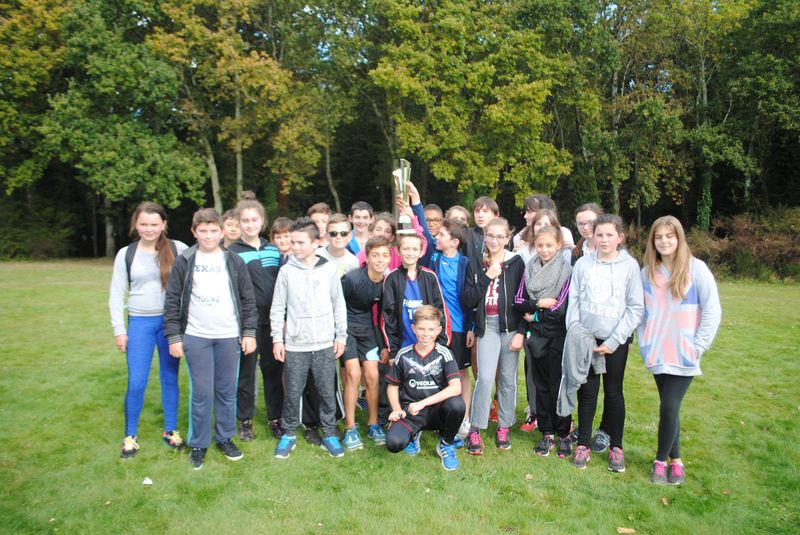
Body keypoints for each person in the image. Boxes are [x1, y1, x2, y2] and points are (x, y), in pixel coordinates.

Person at [164, 208, 257, 470]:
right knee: (202, 392)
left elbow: (247, 299)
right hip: (196, 336)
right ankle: (199, 443)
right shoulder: (185, 260)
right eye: (203, 231)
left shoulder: (233, 260)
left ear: (222, 232)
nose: (208, 236)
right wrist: (174, 336)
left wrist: (248, 333)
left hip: (228, 336)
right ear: (194, 232)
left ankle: (225, 438)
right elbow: (172, 300)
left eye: (213, 230)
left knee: (227, 391)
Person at [638, 216, 721, 485]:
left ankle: (660, 462)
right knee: (669, 409)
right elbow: (641, 313)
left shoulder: (696, 270)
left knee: (669, 406)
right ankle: (677, 461)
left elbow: (712, 311)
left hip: (684, 352)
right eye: (658, 237)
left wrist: (698, 347)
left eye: (669, 236)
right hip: (657, 351)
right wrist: (644, 342)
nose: (664, 241)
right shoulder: (647, 272)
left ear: (679, 238)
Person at [109, 201, 187, 458]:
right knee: (137, 381)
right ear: (136, 224)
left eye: (154, 224)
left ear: (164, 224)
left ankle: (170, 431)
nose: (149, 229)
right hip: (139, 324)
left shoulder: (178, 248)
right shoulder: (126, 254)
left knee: (169, 378)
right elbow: (116, 294)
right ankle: (130, 436)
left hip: (169, 324)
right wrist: (119, 330)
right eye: (144, 224)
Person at [566, 214, 644, 472]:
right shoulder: (583, 264)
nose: (604, 239)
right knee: (587, 392)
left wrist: (615, 340)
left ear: (620, 237)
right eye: (599, 234)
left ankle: (616, 448)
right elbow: (574, 301)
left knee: (613, 392)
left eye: (610, 235)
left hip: (614, 341)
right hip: (587, 338)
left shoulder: (629, 266)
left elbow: (635, 308)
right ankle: (583, 444)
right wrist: (578, 333)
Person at [271, 218, 348, 459]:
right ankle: (289, 433)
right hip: (296, 345)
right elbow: (278, 308)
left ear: (315, 243)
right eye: (293, 242)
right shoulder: (286, 272)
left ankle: (329, 433)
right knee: (293, 391)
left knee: (326, 391)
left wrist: (341, 336)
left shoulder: (328, 270)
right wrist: (277, 339)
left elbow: (338, 304)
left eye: (300, 243)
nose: (295, 247)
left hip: (325, 344)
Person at [462, 218, 527, 454]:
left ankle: (503, 426)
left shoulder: (516, 262)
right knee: (486, 378)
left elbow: (523, 300)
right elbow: (468, 299)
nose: (494, 240)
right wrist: (487, 276)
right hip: (487, 326)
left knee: (508, 379)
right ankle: (475, 428)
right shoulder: (476, 263)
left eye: (500, 236)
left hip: (510, 328)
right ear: (485, 236)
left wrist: (521, 332)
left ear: (507, 238)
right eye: (490, 235)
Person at [512, 226, 573, 458]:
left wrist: (535, 315)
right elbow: (519, 301)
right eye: (540, 245)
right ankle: (547, 432)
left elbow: (560, 309)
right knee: (541, 386)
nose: (544, 249)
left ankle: (564, 432)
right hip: (536, 336)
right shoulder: (529, 268)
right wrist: (539, 303)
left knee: (559, 386)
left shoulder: (566, 270)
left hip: (558, 335)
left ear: (559, 245)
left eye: (549, 245)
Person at [227, 193, 283, 441]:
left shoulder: (273, 249)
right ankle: (245, 420)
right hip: (247, 323)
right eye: (245, 220)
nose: (250, 224)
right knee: (247, 373)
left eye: (254, 220)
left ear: (262, 221)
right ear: (239, 223)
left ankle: (276, 418)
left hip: (273, 322)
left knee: (273, 370)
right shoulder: (232, 252)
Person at [385, 306, 465, 471]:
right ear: (413, 328)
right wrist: (397, 409)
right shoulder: (404, 354)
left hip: (437, 412)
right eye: (421, 328)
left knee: (457, 404)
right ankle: (413, 434)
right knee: (393, 443)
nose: (426, 333)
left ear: (438, 330)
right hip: (411, 412)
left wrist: (422, 403)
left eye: (431, 329)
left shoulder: (444, 354)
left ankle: (446, 443)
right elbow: (392, 386)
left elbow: (456, 388)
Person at [341, 237, 392, 450]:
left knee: (372, 375)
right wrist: (337, 336)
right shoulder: (352, 279)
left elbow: (381, 317)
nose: (380, 260)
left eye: (385, 255)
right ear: (367, 258)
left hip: (368, 331)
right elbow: (336, 305)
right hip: (346, 330)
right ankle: (350, 428)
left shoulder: (386, 282)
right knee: (354, 374)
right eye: (375, 255)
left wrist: (384, 345)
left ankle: (373, 424)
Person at [429, 219, 474, 438]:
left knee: (461, 372)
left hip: (458, 328)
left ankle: (464, 418)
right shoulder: (434, 258)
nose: (437, 237)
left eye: (442, 235)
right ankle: (439, 416)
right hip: (437, 328)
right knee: (438, 372)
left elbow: (472, 299)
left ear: (454, 242)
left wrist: (471, 327)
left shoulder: (465, 263)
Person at [381, 233, 450, 360]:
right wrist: (393, 351)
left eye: (414, 249)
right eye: (406, 249)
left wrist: (441, 345)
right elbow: (388, 318)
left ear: (421, 252)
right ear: (398, 251)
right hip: (403, 347)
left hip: (429, 346)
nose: (410, 253)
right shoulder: (391, 278)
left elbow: (441, 311)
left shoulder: (430, 276)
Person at [317, 213, 360, 277]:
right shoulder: (316, 255)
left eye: (343, 233)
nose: (339, 237)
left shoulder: (353, 262)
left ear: (350, 236)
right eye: (333, 233)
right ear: (326, 236)